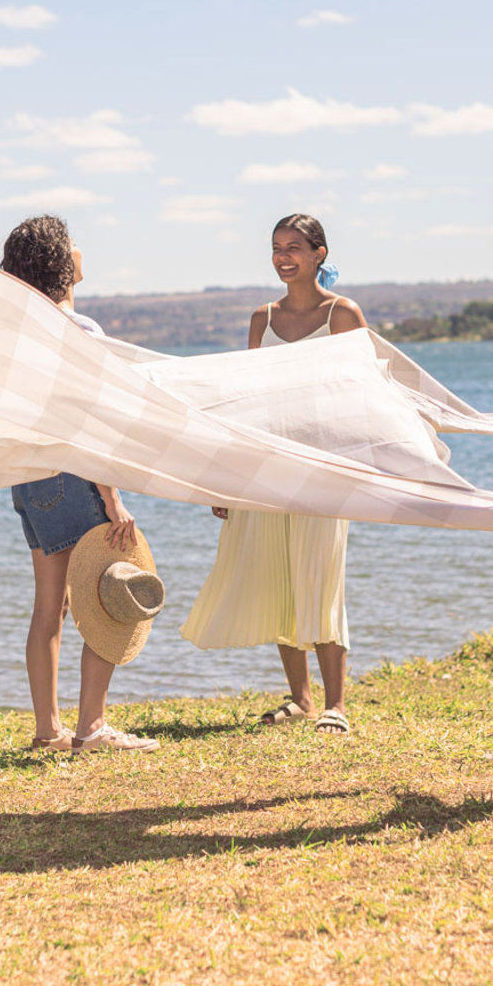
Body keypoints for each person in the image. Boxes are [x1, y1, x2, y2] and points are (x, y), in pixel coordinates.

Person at [181, 213, 367, 734]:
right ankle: (302, 699)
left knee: (320, 578)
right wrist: (228, 479)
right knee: (279, 580)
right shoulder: (262, 318)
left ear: (319, 254)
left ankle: (337, 705)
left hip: (325, 471)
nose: (284, 257)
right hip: (266, 468)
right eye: (276, 248)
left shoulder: (343, 315)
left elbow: (368, 397)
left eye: (295, 247)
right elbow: (248, 404)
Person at [0, 215, 159, 754]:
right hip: (76, 477)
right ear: (61, 262)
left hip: (30, 479)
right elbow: (95, 426)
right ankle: (91, 727)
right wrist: (112, 499)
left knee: (50, 608)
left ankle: (48, 731)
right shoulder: (82, 331)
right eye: (72, 244)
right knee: (108, 596)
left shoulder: (18, 332)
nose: (80, 250)